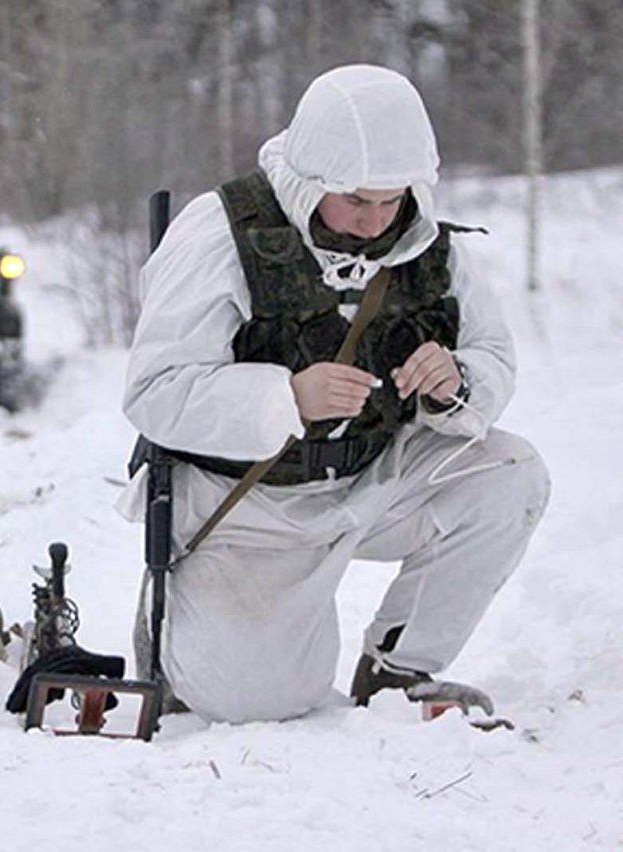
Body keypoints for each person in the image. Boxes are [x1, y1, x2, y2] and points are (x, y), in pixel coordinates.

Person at [120, 64, 551, 724]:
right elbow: (155, 391)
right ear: (315, 178)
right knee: (258, 701)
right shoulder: (221, 234)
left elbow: (492, 356)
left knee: (510, 475)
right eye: (357, 201)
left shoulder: (427, 240)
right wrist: (285, 398)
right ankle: (182, 639)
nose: (377, 220)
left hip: (373, 480)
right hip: (247, 507)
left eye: (392, 200)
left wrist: (456, 381)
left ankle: (397, 669)